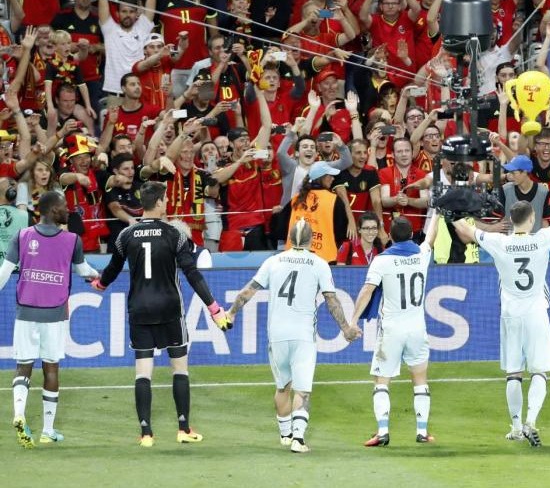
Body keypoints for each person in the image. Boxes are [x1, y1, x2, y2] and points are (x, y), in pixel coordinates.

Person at [92, 182, 232, 446]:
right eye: (165, 198)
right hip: (169, 308)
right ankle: (183, 428)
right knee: (179, 368)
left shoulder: (126, 235)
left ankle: (145, 433)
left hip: (140, 309)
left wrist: (100, 284)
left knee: (143, 372)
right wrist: (214, 308)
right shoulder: (175, 234)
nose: (167, 202)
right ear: (157, 202)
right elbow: (192, 273)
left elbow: (112, 268)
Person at [226, 219, 360, 453]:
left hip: (277, 333)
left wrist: (231, 313)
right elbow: (331, 300)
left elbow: (248, 291)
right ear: (311, 239)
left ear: (289, 238)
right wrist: (346, 329)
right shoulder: (319, 264)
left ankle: (285, 434)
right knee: (302, 389)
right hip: (303, 334)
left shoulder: (273, 261)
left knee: (282, 387)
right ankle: (298, 439)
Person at [452, 197, 550, 447]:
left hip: (510, 313)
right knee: (539, 371)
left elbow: (465, 229)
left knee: (513, 372)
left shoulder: (499, 242)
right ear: (532, 219)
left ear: (512, 221)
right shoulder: (541, 239)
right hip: (536, 311)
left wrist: (448, 210)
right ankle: (531, 421)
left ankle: (516, 428)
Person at [0, 191, 98, 446]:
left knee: (23, 366)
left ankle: (19, 415)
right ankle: (47, 430)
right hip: (54, 313)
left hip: (26, 310)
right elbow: (82, 269)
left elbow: (3, 274)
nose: (68, 209)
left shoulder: (22, 237)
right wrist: (98, 276)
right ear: (54, 210)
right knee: (51, 367)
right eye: (64, 206)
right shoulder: (72, 240)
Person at [351, 215, 441, 447]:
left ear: (389, 236)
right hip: (417, 328)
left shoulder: (381, 260)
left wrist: (353, 320)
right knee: (420, 379)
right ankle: (422, 432)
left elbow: (367, 291)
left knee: (382, 380)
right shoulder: (421, 255)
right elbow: (430, 238)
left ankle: (382, 431)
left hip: (391, 329)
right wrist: (437, 214)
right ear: (411, 235)